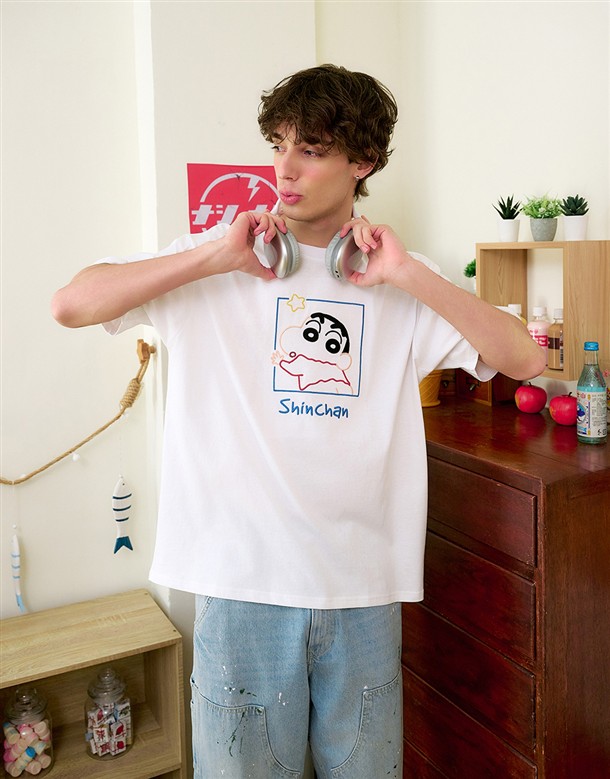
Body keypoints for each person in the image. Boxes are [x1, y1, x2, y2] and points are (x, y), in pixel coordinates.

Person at [52, 64, 545, 779]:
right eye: (279, 145)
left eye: (310, 150)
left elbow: (525, 357)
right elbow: (71, 304)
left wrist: (409, 275)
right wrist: (213, 256)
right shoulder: (215, 260)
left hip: (362, 592)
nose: (284, 168)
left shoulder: (396, 275)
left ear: (361, 162)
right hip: (240, 587)